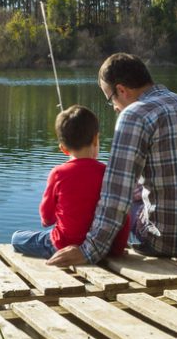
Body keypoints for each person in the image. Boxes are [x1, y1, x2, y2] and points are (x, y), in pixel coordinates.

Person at [47, 53, 177, 266]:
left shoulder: (134, 115)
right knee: (136, 190)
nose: (114, 107)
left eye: (110, 99)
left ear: (121, 90)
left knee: (110, 196)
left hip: (169, 242)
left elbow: (116, 195)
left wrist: (89, 250)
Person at [11, 105, 130, 259]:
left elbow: (47, 218)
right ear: (95, 139)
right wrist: (117, 248)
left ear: (63, 149)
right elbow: (123, 215)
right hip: (104, 247)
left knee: (17, 237)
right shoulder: (109, 173)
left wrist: (52, 219)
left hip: (63, 245)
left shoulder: (58, 173)